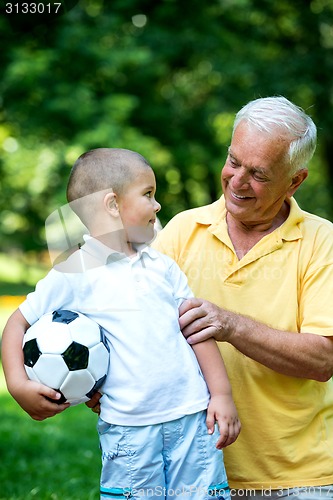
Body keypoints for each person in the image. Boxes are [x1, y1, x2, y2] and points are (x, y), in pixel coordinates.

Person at [1, 148, 241, 500]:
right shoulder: (73, 273)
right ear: (112, 205)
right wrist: (18, 385)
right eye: (148, 194)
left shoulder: (163, 267)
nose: (157, 206)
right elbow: (16, 324)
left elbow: (197, 332)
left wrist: (221, 395)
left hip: (192, 418)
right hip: (129, 429)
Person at [152, 96, 333, 499]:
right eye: (234, 161)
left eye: (258, 174)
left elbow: (323, 359)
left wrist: (230, 325)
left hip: (300, 479)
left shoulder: (323, 243)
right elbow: (139, 322)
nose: (237, 181)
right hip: (192, 470)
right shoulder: (183, 231)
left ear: (295, 181)